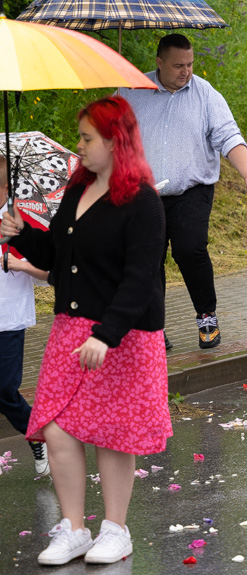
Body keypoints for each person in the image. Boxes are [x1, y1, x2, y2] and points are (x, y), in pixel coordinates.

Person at [1, 96, 172, 566]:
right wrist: (20, 234)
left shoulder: (143, 202)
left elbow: (141, 280)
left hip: (122, 335)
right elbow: (58, 258)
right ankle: (74, 530)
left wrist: (106, 333)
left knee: (115, 435)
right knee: (55, 429)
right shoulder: (78, 190)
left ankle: (116, 530)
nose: (79, 147)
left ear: (117, 141)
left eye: (86, 138)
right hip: (69, 330)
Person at [119, 33, 247, 350]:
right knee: (148, 257)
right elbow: (112, 137)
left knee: (189, 248)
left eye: (189, 64)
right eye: (177, 66)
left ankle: (206, 316)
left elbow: (229, 137)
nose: (185, 71)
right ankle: (153, 328)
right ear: (159, 63)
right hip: (145, 194)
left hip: (192, 190)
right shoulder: (131, 90)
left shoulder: (206, 95)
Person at [0, 156, 51, 475]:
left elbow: (49, 271)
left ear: (5, 188)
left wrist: (18, 264)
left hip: (8, 319)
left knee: (4, 388)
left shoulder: (17, 222)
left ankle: (36, 433)